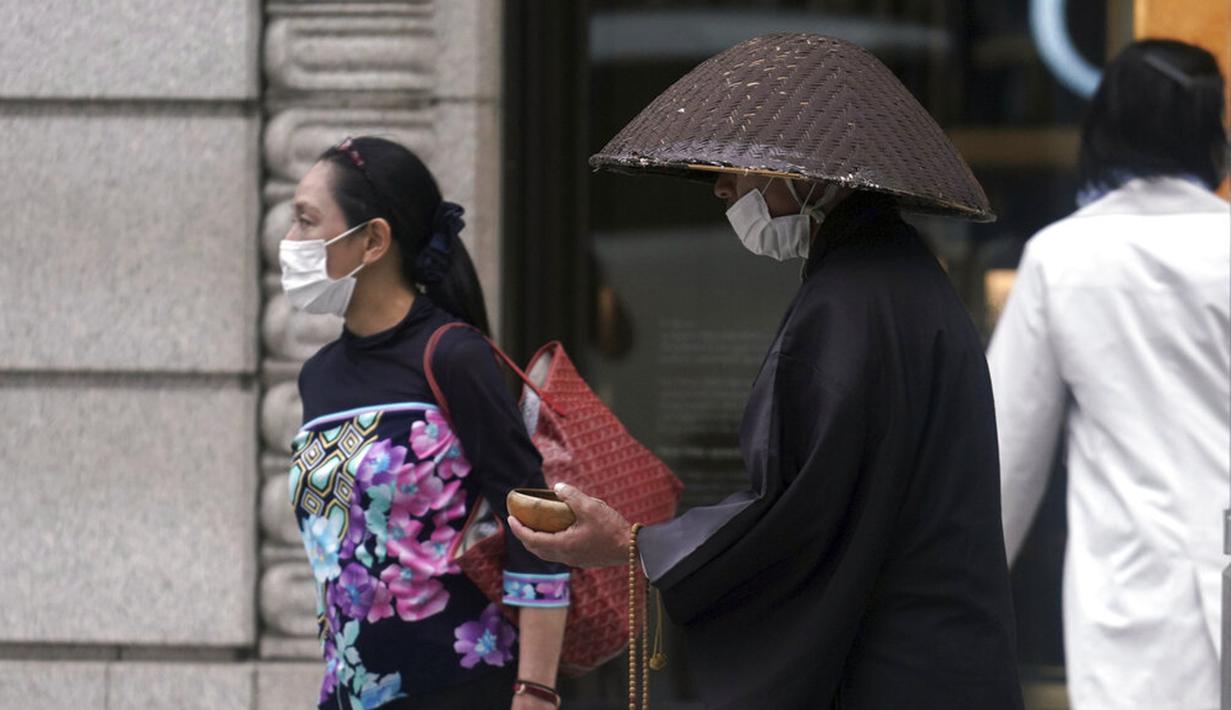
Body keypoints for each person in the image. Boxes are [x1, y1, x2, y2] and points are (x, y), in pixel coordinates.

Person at [510, 34, 1024, 709]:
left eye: (738, 167)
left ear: (809, 174)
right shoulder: (894, 279)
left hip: (890, 667)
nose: (720, 186)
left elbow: (794, 515)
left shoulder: (849, 303)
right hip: (937, 655)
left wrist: (636, 543)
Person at [281, 136, 569, 710]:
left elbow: (538, 525)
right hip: (349, 694)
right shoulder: (319, 377)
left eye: (307, 221)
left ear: (373, 240)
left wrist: (536, 691)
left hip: (463, 688)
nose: (290, 242)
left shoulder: (453, 356)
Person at [987, 40, 1230, 710]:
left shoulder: (1061, 257)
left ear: (1105, 124)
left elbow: (1002, 457)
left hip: (1133, 590)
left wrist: (958, 604)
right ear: (1210, 130)